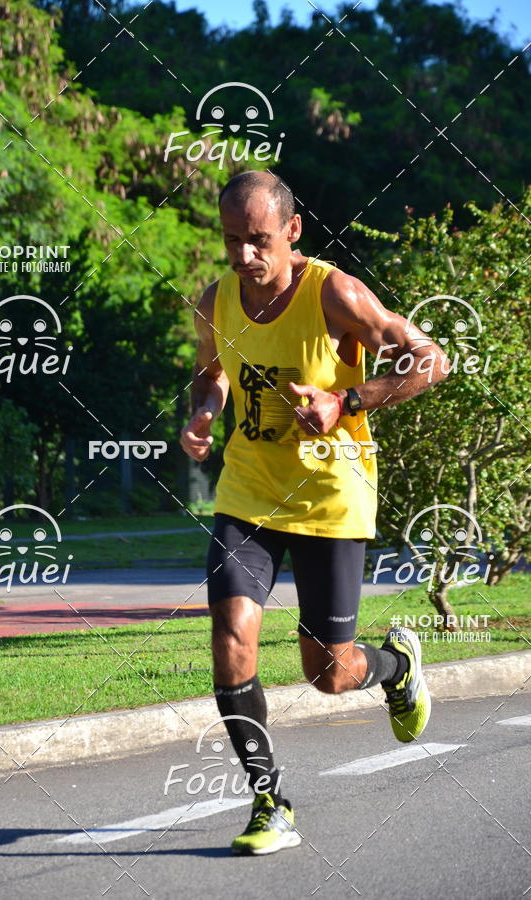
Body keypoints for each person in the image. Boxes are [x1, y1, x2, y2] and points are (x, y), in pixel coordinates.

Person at [180, 170, 449, 856]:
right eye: (232, 241)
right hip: (248, 492)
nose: (244, 256)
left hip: (333, 495)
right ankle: (270, 802)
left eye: (259, 240)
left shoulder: (334, 293)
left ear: (292, 231)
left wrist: (345, 402)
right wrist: (205, 415)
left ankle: (396, 669)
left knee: (330, 673)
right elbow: (211, 372)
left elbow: (429, 361)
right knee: (231, 632)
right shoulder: (217, 301)